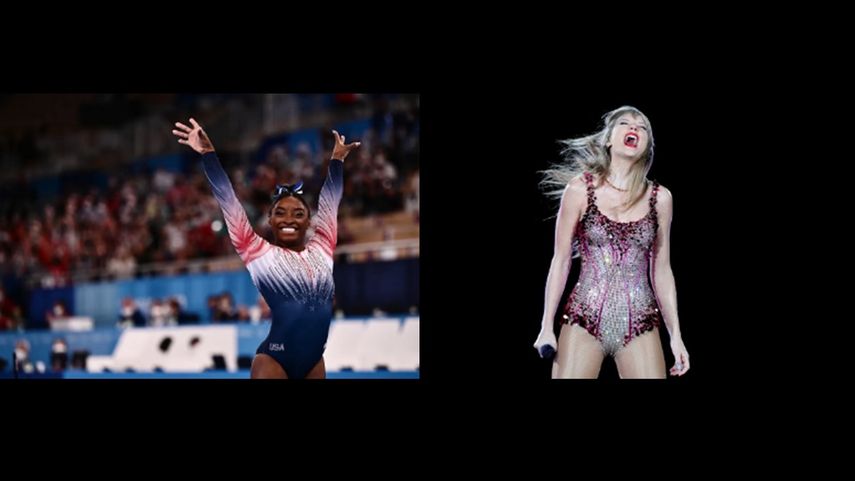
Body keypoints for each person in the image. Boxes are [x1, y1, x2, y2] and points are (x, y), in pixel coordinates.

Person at [173, 118, 359, 378]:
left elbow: (331, 200)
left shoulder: (323, 247)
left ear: (308, 220)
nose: (289, 219)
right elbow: (228, 199)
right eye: (280, 213)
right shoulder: (258, 251)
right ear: (270, 220)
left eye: (298, 213)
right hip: (274, 361)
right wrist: (208, 155)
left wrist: (337, 161)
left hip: (315, 362)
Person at [533, 106, 689, 378]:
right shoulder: (580, 189)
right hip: (584, 318)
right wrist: (546, 325)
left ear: (647, 146)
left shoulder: (661, 198)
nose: (634, 128)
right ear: (608, 139)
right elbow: (560, 260)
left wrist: (676, 336)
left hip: (640, 323)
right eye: (625, 123)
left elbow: (662, 270)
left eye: (642, 128)